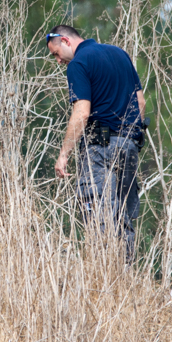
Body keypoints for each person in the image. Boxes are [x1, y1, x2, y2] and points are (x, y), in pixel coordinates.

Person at [47, 25, 146, 264]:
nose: (58, 61)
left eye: (56, 54)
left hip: (99, 146)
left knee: (99, 213)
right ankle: (125, 274)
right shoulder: (119, 53)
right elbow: (140, 102)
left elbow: (81, 113)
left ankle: (106, 276)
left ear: (65, 41)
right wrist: (130, 136)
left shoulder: (79, 64)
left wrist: (64, 154)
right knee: (122, 215)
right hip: (129, 143)